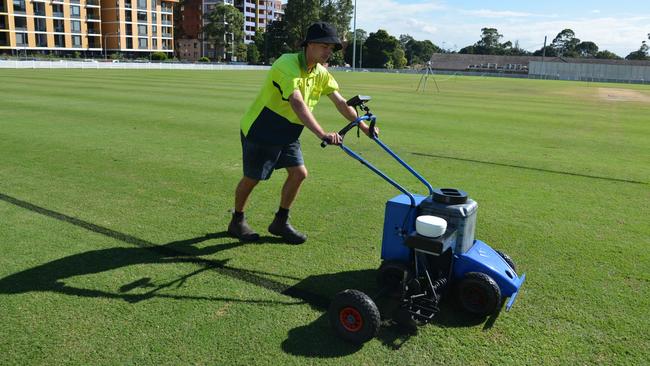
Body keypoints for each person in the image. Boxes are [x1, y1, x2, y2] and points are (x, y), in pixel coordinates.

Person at [228, 21, 375, 244]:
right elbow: (297, 101)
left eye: (332, 48)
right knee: (253, 178)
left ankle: (280, 222)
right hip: (263, 127)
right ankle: (237, 220)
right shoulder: (286, 64)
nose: (329, 51)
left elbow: (341, 102)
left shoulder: (320, 73)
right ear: (308, 45)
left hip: (289, 130)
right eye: (324, 46)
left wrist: (364, 127)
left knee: (299, 173)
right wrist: (322, 133)